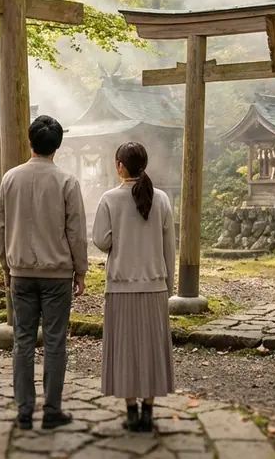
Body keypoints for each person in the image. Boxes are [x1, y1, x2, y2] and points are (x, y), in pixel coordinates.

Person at [0, 115, 87, 430]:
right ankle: (51, 410)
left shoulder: (10, 179)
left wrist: (5, 266)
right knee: (54, 341)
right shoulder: (67, 181)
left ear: (30, 142)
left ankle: (24, 411)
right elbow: (75, 231)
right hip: (57, 273)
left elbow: (2, 227)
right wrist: (81, 270)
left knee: (22, 339)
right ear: (57, 146)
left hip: (21, 270)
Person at [92, 141, 176, 433]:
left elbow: (102, 241)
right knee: (152, 350)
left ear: (119, 166)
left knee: (126, 349)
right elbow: (169, 248)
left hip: (120, 286)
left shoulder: (109, 199)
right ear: (144, 165)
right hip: (155, 286)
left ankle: (130, 411)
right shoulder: (162, 199)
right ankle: (149, 411)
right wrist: (169, 284)